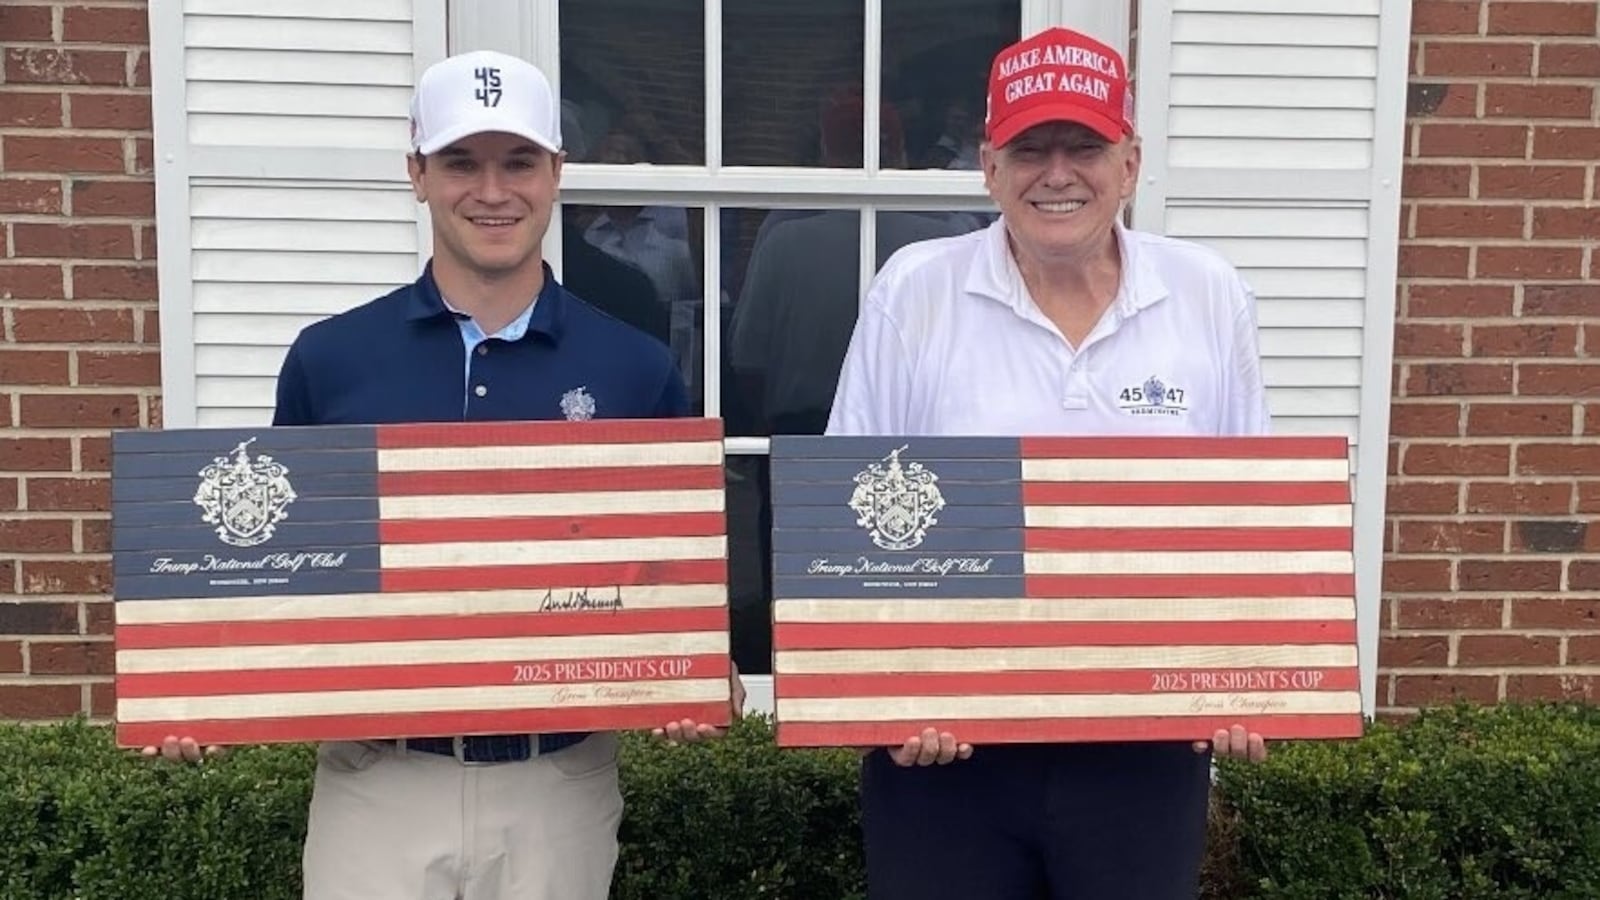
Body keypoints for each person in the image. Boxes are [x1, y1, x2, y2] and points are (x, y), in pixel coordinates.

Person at [147, 49, 743, 900]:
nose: (492, 191)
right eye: (462, 162)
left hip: (558, 787)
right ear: (417, 173)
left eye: (518, 162)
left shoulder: (635, 366)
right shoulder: (331, 358)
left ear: (557, 174)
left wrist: (694, 668)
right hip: (376, 783)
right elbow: (278, 571)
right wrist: (204, 688)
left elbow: (671, 576)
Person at [825, 26, 1271, 900]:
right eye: (1031, 147)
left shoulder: (1209, 294)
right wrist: (886, 692)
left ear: (1131, 162)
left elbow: (1245, 520)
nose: (1057, 173)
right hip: (947, 751)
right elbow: (851, 513)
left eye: (1085, 146)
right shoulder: (913, 290)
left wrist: (1251, 677)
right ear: (989, 166)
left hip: (1142, 753)